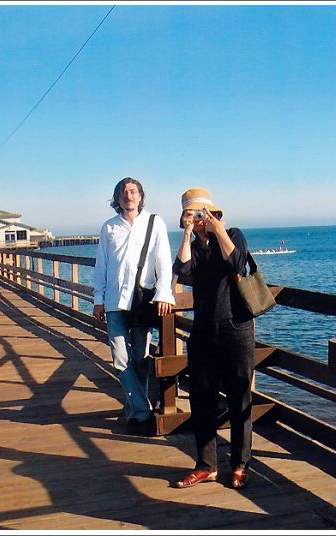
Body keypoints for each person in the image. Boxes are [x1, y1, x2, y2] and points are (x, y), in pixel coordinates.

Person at [172, 187, 255, 490]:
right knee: (202, 399)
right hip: (204, 331)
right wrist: (186, 233)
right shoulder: (193, 246)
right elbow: (180, 270)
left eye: (202, 213)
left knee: (239, 398)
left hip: (237, 330)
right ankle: (206, 465)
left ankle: (241, 464)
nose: (199, 219)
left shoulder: (232, 234)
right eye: (193, 214)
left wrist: (217, 226)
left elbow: (237, 264)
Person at [93, 177, 175, 435]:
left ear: (141, 196)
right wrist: (98, 299)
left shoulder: (154, 222)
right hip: (115, 302)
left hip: (141, 302)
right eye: (124, 192)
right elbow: (102, 266)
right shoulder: (109, 227)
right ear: (117, 198)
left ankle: (135, 414)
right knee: (120, 359)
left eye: (133, 191)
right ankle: (144, 412)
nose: (129, 196)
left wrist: (164, 293)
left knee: (140, 359)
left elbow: (163, 261)